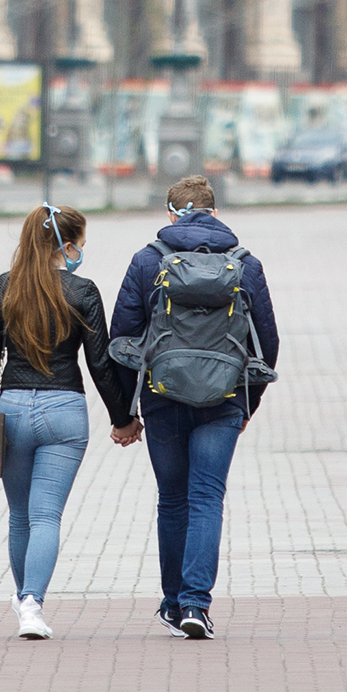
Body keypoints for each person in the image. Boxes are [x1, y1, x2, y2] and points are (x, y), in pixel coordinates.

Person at [110, 175, 279, 639]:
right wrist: (248, 405)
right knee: (207, 497)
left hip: (162, 398)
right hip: (224, 398)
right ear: (214, 213)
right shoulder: (247, 265)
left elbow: (120, 339)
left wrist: (127, 411)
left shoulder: (147, 261)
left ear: (170, 214)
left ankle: (171, 602)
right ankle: (195, 606)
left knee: (173, 499)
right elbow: (269, 342)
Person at [0, 203, 142, 640]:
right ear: (66, 246)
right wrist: (124, 418)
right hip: (64, 412)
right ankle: (32, 602)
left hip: (11, 409)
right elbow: (101, 365)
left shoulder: (3, 287)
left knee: (20, 516)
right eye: (81, 245)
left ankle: (24, 603)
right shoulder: (82, 291)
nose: (81, 253)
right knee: (46, 515)